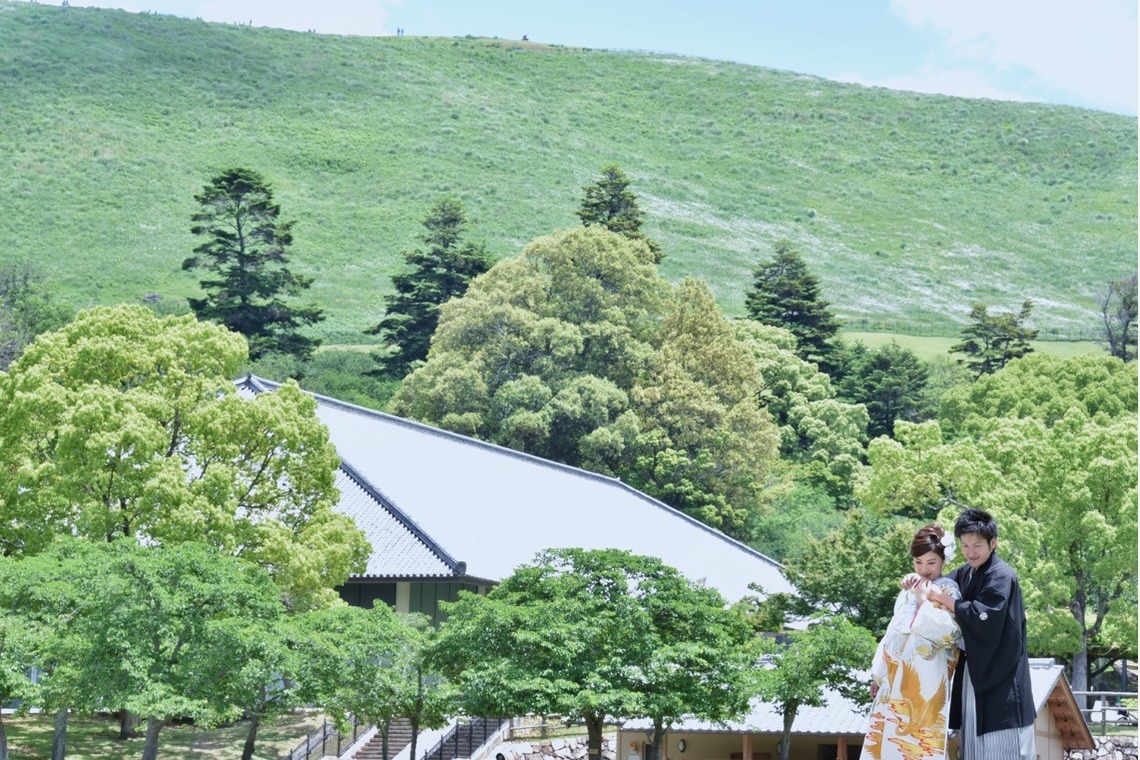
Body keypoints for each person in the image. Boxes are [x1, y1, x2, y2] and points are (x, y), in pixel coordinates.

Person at [925, 508, 1036, 759]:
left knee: (1003, 749)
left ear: (993, 542)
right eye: (965, 545)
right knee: (973, 750)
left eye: (977, 545)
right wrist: (923, 582)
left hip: (1003, 678)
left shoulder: (1001, 576)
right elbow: (942, 587)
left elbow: (982, 617)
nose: (970, 552)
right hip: (975, 673)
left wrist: (945, 601)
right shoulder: (965, 573)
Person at [863, 524, 962, 760]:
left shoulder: (948, 589)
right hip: (893, 677)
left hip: (925, 680)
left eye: (931, 562)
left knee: (918, 745)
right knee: (886, 742)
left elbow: (950, 634)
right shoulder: (906, 591)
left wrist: (924, 601)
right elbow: (892, 634)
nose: (924, 569)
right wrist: (878, 674)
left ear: (943, 561)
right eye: (918, 562)